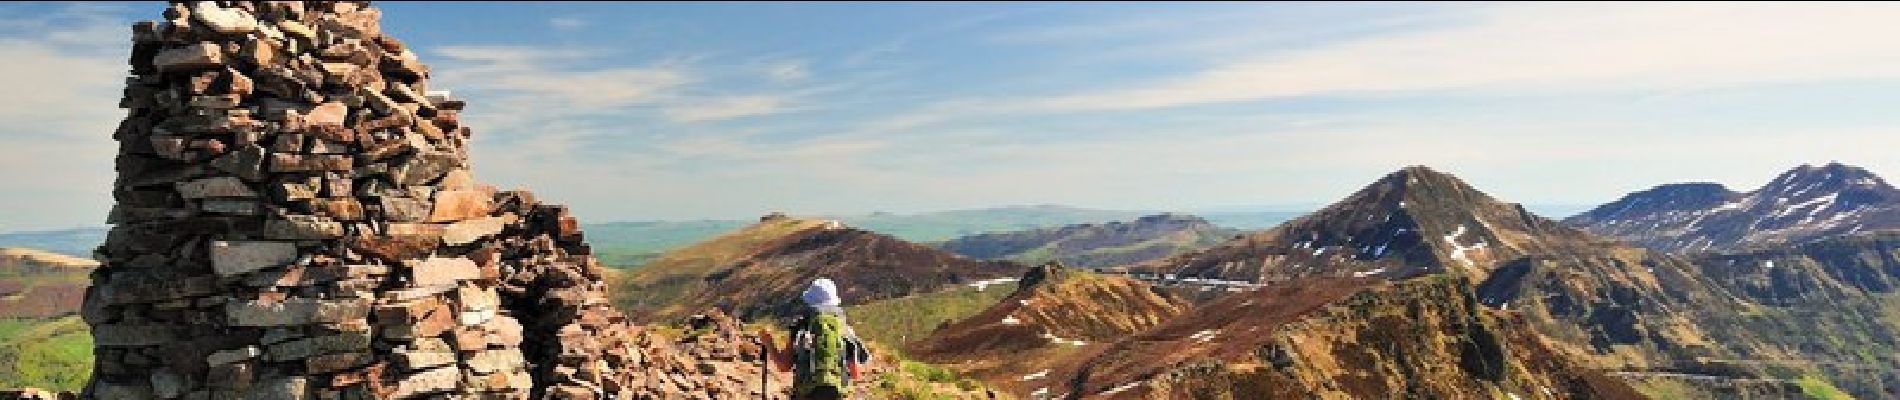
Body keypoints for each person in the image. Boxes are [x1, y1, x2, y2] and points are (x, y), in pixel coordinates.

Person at [762, 278, 871, 400]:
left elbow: (783, 366)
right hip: (835, 395)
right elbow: (855, 373)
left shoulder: (801, 327)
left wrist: (768, 343)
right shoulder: (845, 330)